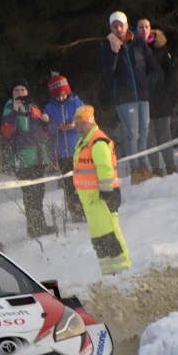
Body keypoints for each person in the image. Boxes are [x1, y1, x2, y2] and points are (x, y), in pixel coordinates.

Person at [98, 10, 159, 184]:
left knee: (144, 132)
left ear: (126, 25)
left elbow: (153, 67)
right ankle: (136, 169)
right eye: (114, 26)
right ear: (110, 28)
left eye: (121, 25)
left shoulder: (138, 43)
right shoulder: (106, 47)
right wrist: (113, 53)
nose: (118, 29)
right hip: (124, 98)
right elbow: (106, 73)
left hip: (142, 96)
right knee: (132, 133)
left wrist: (147, 85)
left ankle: (144, 167)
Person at [71, 105, 131, 274]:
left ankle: (123, 271)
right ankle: (108, 272)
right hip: (91, 201)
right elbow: (81, 172)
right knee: (100, 237)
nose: (79, 128)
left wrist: (106, 192)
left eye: (82, 123)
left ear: (91, 122)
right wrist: (78, 196)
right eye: (77, 124)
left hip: (103, 198)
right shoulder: (84, 142)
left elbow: (105, 168)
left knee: (111, 233)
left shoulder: (97, 141)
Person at [0, 77, 56, 237]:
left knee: (38, 193)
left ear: (27, 92)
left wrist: (46, 122)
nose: (20, 92)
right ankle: (36, 228)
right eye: (16, 90)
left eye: (22, 89)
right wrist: (14, 112)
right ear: (12, 93)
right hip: (23, 159)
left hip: (38, 156)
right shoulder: (9, 107)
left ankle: (37, 226)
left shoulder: (33, 107)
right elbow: (6, 132)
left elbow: (43, 132)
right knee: (31, 195)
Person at [44, 72, 87, 222]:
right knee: (68, 185)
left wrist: (75, 125)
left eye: (63, 94)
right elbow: (45, 127)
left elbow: (87, 121)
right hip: (61, 152)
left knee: (82, 182)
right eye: (58, 95)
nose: (61, 97)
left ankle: (86, 208)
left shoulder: (77, 103)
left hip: (78, 150)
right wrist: (57, 127)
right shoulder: (49, 108)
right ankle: (74, 211)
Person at [138, 19, 178, 176]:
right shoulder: (134, 48)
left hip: (161, 98)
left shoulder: (160, 47)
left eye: (146, 27)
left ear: (151, 28)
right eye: (141, 27)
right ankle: (156, 169)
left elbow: (170, 71)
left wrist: (166, 89)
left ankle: (171, 166)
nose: (144, 30)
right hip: (143, 99)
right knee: (149, 138)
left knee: (164, 135)